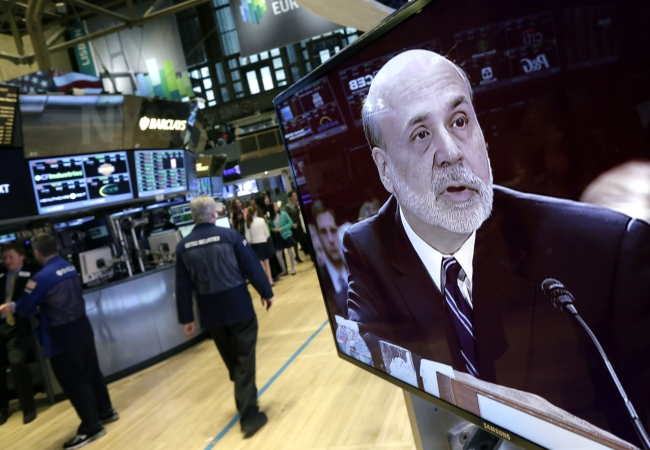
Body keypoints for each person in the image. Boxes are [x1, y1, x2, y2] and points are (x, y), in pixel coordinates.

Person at [343, 49, 650, 444]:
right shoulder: (367, 245)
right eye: (421, 135)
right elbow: (370, 349)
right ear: (385, 169)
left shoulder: (608, 249)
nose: (452, 152)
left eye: (459, 120)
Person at [0, 234, 118, 449]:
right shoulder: (69, 266)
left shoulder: (41, 278)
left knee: (73, 380)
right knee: (91, 372)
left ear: (36, 253)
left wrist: (19, 306)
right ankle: (106, 410)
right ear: (56, 247)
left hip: (61, 334)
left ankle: (92, 427)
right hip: (82, 326)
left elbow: (26, 308)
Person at [175, 196, 274, 438]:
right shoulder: (230, 236)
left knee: (235, 362)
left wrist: (187, 318)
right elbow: (251, 266)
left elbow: (183, 285)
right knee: (244, 360)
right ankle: (249, 417)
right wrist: (266, 292)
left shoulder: (183, 247)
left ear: (192, 217)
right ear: (214, 214)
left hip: (210, 313)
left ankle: (244, 392)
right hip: (238, 306)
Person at [0, 243, 37, 425]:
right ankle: (2, 409)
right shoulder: (0, 273)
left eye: (10, 257)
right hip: (1, 325)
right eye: (4, 258)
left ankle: (28, 407)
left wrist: (14, 306)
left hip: (18, 325)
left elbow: (31, 297)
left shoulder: (32, 273)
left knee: (17, 364)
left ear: (21, 256)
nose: (7, 261)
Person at [312, 200, 349, 319]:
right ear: (317, 236)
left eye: (332, 231)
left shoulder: (357, 267)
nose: (331, 239)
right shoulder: (321, 280)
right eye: (323, 232)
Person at [245, 205, 275, 285]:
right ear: (256, 212)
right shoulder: (262, 220)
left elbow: (248, 238)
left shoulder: (248, 222)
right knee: (267, 264)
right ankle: (270, 281)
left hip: (255, 245)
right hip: (264, 242)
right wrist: (264, 238)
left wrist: (251, 243)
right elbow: (267, 233)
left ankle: (264, 282)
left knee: (260, 266)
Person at [270, 201, 297, 276]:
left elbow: (290, 223)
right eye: (274, 206)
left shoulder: (284, 214)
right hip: (278, 236)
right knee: (278, 255)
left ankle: (293, 269)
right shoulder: (271, 217)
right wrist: (274, 229)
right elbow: (271, 227)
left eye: (276, 205)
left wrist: (282, 228)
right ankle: (284, 270)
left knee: (290, 252)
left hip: (286, 235)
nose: (276, 207)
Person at [285, 191, 305, 263]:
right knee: (295, 242)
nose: (296, 196)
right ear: (290, 197)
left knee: (302, 238)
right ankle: (297, 255)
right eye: (294, 195)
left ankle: (305, 250)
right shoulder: (288, 206)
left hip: (300, 224)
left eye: (296, 195)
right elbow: (288, 217)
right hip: (293, 226)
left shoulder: (298, 204)